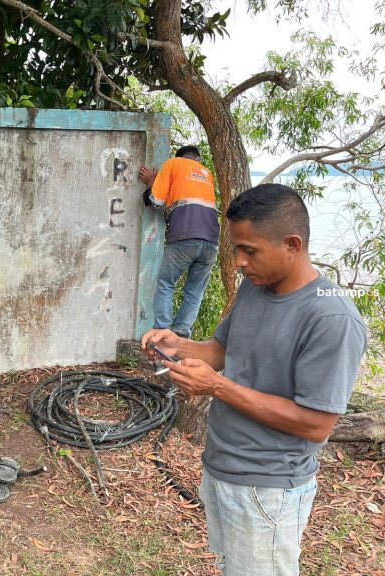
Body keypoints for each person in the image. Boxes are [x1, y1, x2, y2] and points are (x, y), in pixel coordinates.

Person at [142, 183, 367, 576]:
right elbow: (223, 350)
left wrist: (217, 386)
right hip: (222, 466)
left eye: (250, 250)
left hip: (269, 487)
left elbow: (316, 424)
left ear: (292, 244)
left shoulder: (331, 318)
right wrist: (179, 345)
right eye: (236, 249)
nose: (239, 262)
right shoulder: (256, 287)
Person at [139, 145, 219, 338]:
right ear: (197, 159)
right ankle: (182, 334)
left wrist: (152, 184)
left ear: (179, 157)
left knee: (166, 283)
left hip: (184, 236)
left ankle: (163, 332)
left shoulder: (173, 164)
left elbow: (155, 201)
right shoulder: (206, 173)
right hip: (211, 241)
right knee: (195, 291)